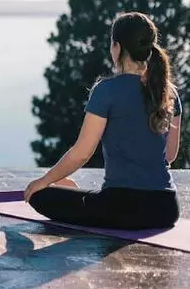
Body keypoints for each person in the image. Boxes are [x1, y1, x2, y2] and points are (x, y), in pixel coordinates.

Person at [24, 12, 181, 230]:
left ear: (116, 48)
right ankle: (70, 191)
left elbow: (82, 153)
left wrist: (44, 180)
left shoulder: (107, 91)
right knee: (88, 201)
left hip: (120, 208)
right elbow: (170, 155)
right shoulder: (168, 92)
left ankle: (65, 190)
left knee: (39, 196)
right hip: (165, 209)